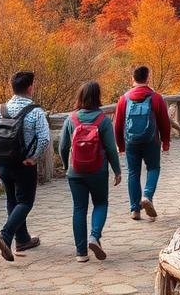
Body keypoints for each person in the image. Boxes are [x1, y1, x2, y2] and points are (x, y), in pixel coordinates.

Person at [0, 70, 51, 262]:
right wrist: (34, 157)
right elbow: (45, 139)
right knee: (25, 202)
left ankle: (22, 240)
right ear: (30, 87)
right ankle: (5, 236)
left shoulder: (0, 109)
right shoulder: (36, 111)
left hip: (4, 164)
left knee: (12, 201)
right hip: (24, 165)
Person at [58, 81, 121, 263]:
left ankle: (81, 253)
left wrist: (65, 165)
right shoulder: (103, 121)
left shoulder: (71, 119)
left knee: (79, 209)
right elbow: (110, 148)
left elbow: (62, 147)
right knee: (100, 203)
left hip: (75, 172)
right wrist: (117, 171)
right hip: (98, 171)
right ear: (97, 97)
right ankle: (94, 236)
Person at [114, 65, 170, 221]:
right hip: (152, 140)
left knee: (133, 173)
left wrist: (120, 144)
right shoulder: (156, 98)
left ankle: (135, 210)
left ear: (133, 79)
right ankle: (147, 195)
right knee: (153, 168)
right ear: (148, 78)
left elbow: (117, 124)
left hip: (131, 141)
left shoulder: (124, 99)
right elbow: (164, 123)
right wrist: (166, 142)